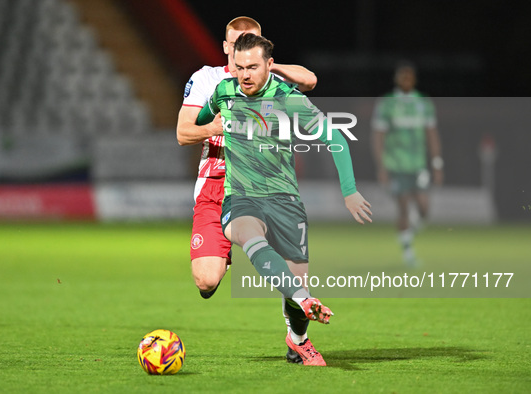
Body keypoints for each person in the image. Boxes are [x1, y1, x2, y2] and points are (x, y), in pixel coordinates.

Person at [196, 33, 372, 366]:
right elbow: (203, 118)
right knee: (248, 234)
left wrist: (349, 190)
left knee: (294, 280)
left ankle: (298, 339)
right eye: (239, 67)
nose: (245, 74)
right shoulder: (224, 91)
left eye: (252, 67)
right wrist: (209, 128)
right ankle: (305, 299)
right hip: (241, 196)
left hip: (285, 201)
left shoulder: (288, 99)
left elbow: (334, 136)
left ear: (269, 66)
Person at [177, 17, 317, 301]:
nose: (244, 46)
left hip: (263, 187)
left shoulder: (270, 80)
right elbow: (183, 132)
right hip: (216, 185)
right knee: (205, 280)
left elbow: (310, 80)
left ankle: (297, 337)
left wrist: (270, 65)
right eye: (238, 42)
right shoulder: (207, 79)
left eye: (252, 42)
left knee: (292, 268)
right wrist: (212, 128)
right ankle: (222, 255)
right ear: (226, 46)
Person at [371, 61, 443, 267]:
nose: (406, 80)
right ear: (397, 79)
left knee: (424, 207)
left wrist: (437, 163)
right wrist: (381, 166)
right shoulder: (387, 103)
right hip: (395, 165)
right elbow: (378, 136)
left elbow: (432, 135)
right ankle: (408, 252)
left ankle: (407, 233)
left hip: (418, 164)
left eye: (409, 76)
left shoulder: (423, 103)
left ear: (414, 79)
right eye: (402, 76)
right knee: (403, 207)